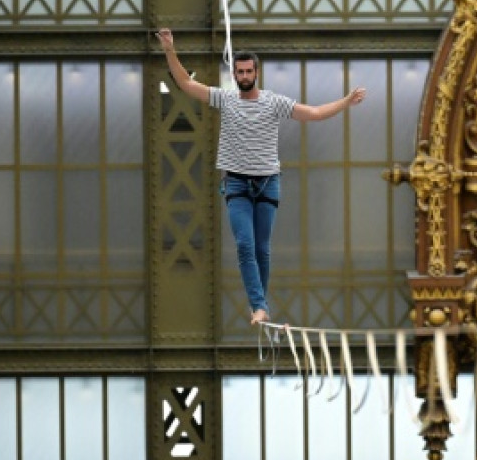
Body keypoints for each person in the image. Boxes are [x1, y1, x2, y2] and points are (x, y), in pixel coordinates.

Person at [156, 29, 366, 325]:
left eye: (248, 71)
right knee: (245, 245)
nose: (243, 75)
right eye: (239, 71)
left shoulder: (273, 102)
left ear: (256, 73)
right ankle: (258, 305)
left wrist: (345, 102)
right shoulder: (225, 99)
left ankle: (261, 305)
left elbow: (315, 113)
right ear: (236, 74)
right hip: (238, 184)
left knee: (262, 249)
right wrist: (169, 50)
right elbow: (186, 83)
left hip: (268, 182)